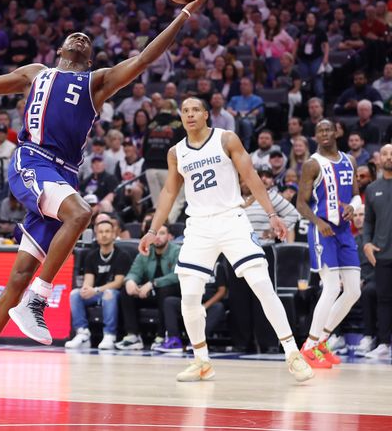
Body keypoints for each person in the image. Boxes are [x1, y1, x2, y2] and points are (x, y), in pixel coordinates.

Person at [0, 0, 211, 400]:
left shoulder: (96, 83)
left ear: (89, 58)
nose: (81, 37)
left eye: (88, 41)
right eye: (75, 35)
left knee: (17, 276)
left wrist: (183, 16)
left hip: (61, 176)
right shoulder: (36, 73)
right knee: (81, 214)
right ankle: (39, 301)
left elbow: (143, 58)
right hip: (31, 160)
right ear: (62, 48)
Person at [139, 97, 313, 382]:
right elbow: (169, 193)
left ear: (207, 115)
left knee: (261, 285)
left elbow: (251, 175)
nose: (190, 114)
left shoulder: (226, 139)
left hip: (232, 220)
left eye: (196, 110)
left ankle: (293, 353)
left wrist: (271, 214)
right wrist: (151, 230)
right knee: (190, 295)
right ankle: (201, 360)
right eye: (185, 111)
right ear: (180, 118)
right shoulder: (176, 152)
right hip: (198, 227)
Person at [296, 120, 362, 368]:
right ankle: (310, 347)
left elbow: (356, 194)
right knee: (332, 287)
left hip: (344, 231)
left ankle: (322, 341)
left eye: (328, 130)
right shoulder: (312, 164)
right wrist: (317, 221)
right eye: (320, 131)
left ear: (336, 132)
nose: (324, 134)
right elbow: (301, 203)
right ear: (315, 136)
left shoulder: (349, 160)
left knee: (354, 290)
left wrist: (353, 207)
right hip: (322, 230)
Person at [64, 219, 130, 350]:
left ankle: (109, 335)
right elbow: (88, 281)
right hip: (97, 292)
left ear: (113, 234)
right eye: (100, 232)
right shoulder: (91, 256)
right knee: (75, 294)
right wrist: (86, 289)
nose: (104, 235)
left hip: (115, 293)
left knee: (109, 294)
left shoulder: (122, 255)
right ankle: (83, 333)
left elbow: (118, 283)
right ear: (96, 235)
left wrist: (96, 290)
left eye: (107, 231)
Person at [116, 225, 181, 352]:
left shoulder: (176, 251)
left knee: (165, 291)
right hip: (149, 292)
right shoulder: (146, 251)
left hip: (171, 291)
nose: (157, 237)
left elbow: (177, 275)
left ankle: (162, 335)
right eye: (155, 234)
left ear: (169, 236)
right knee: (126, 292)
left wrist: (153, 283)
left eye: (162, 233)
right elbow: (134, 271)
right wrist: (130, 281)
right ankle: (133, 336)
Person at [360, 144, 392, 359]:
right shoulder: (372, 189)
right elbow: (368, 222)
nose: (389, 157)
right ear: (378, 159)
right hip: (383, 253)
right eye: (385, 154)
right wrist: (366, 243)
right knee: (383, 300)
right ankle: (383, 344)